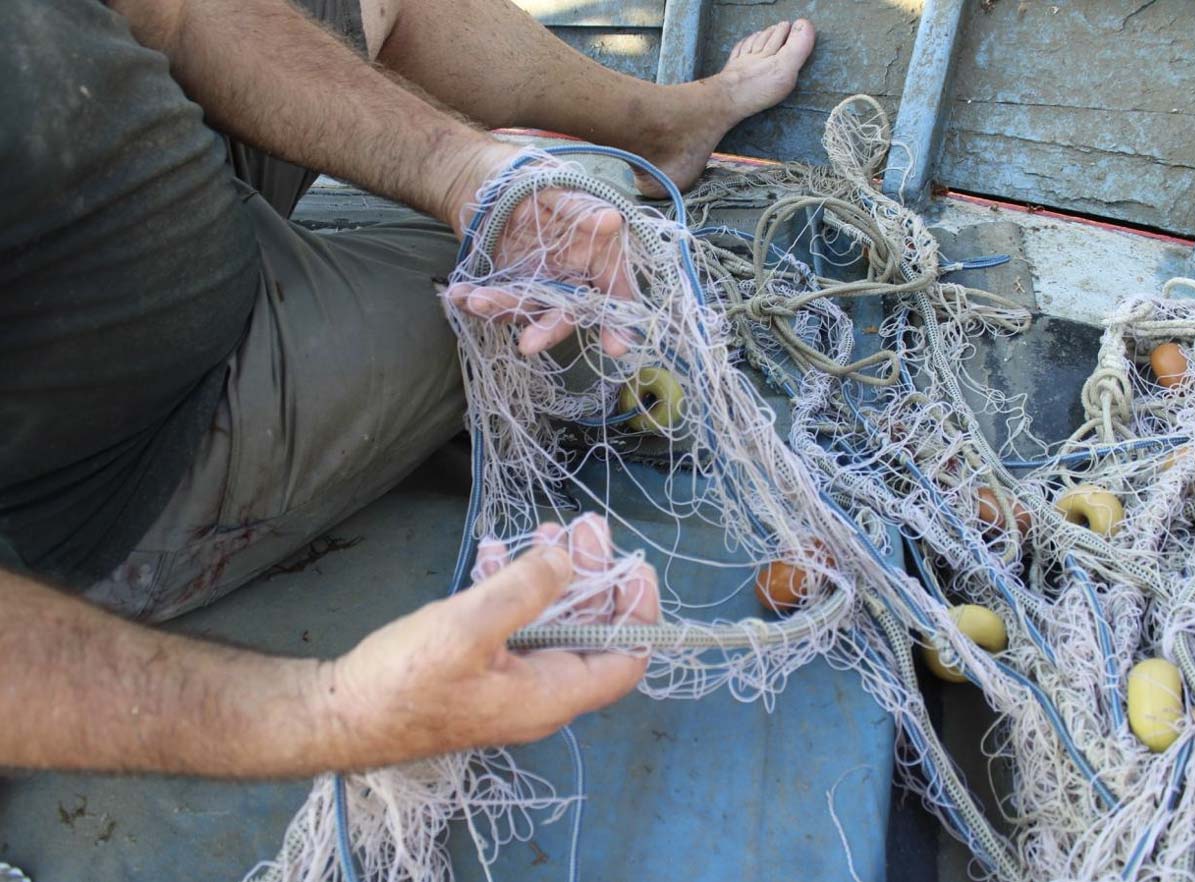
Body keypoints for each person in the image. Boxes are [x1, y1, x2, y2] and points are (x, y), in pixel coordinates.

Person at [0, 0, 815, 776]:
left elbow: (176, 13)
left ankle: (666, 124)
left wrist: (466, 170)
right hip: (134, 452)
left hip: (151, 164)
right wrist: (328, 711)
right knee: (576, 300)